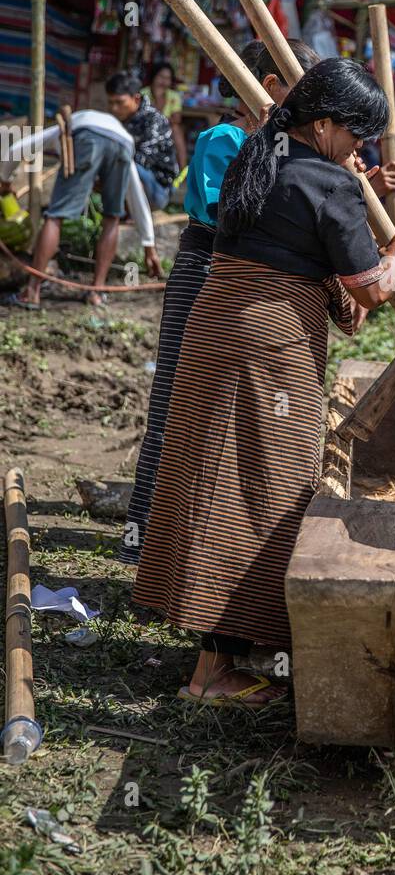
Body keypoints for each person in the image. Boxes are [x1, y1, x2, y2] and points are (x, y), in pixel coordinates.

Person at [133, 58, 395, 706]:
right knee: (264, 488)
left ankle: (225, 636)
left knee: (214, 477)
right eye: (356, 135)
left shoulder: (259, 156)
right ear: (324, 123)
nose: (361, 150)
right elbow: (368, 288)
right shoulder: (327, 183)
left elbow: (301, 235)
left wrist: (348, 186)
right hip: (268, 348)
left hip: (218, 330)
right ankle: (213, 671)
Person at [123, 39, 318, 562]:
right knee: (174, 399)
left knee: (221, 408)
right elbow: (225, 213)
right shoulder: (224, 139)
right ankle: (142, 536)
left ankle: (194, 539)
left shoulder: (292, 149)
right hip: (207, 268)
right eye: (303, 88)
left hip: (248, 280)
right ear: (271, 89)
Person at [1, 109, 161, 309]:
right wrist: (149, 245)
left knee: (55, 215)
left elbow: (17, 149)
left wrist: (5, 182)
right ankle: (97, 292)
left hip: (86, 134)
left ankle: (32, 291)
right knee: (112, 217)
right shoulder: (116, 135)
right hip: (122, 143)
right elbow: (136, 195)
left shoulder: (63, 131)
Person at [106, 72, 178, 211]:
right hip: (131, 185)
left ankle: (130, 212)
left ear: (136, 99)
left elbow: (142, 159)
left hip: (157, 191)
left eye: (119, 102)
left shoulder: (154, 120)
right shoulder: (118, 119)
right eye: (111, 102)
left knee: (126, 165)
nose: (114, 108)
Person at [145, 61, 187, 170]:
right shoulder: (143, 94)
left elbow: (177, 119)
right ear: (154, 76)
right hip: (147, 127)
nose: (164, 81)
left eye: (167, 78)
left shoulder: (174, 96)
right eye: (161, 77)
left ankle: (182, 171)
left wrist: (159, 98)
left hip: (166, 128)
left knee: (177, 130)